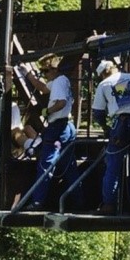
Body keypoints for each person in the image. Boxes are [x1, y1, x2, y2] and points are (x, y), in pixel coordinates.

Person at [20, 54, 83, 211]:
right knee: (69, 167)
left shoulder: (59, 83)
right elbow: (42, 87)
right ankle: (79, 202)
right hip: (67, 127)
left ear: (54, 69)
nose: (44, 74)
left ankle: (37, 202)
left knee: (46, 164)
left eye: (45, 71)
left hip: (57, 128)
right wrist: (27, 73)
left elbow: (60, 103)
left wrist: (47, 111)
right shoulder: (60, 81)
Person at [92, 59, 130, 215]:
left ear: (103, 73)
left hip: (121, 126)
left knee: (113, 166)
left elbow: (97, 113)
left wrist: (106, 128)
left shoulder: (104, 84)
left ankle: (109, 204)